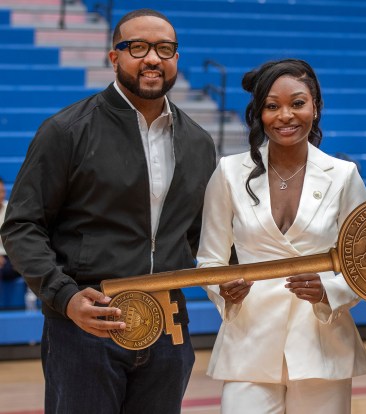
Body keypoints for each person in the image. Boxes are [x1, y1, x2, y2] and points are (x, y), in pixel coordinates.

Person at [0, 9, 216, 414]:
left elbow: (198, 233)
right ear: (113, 57)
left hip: (168, 327)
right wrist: (64, 297)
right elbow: (22, 225)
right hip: (86, 325)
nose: (153, 58)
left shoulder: (199, 142)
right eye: (138, 47)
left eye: (165, 49)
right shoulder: (66, 131)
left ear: (176, 59)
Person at [196, 58, 366, 414]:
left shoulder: (343, 175)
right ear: (259, 114)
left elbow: (364, 266)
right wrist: (223, 290)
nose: (285, 116)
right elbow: (210, 260)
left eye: (297, 103)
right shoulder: (229, 172)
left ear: (316, 107)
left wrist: (329, 291)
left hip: (322, 344)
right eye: (272, 106)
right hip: (249, 343)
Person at [0, 177, 20, 284]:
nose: (1, 195)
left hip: (11, 256)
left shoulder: (11, 209)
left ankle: (31, 295)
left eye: (2, 191)